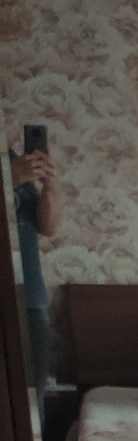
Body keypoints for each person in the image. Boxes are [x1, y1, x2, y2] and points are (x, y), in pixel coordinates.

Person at [9, 138, 59, 394]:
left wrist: (50, 185)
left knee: (32, 399)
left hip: (32, 298)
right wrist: (9, 180)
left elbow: (48, 227)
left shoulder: (14, 160)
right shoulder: (13, 170)